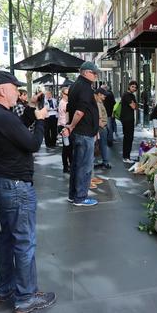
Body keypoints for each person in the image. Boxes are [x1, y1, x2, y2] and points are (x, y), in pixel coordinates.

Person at [0, 70, 56, 313]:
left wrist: (30, 109)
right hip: (16, 186)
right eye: (15, 88)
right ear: (3, 90)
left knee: (8, 238)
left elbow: (17, 131)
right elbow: (32, 143)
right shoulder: (3, 117)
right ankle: (26, 296)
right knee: (24, 241)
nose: (18, 93)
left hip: (2, 182)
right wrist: (42, 120)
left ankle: (7, 289)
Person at [65, 61, 100, 207]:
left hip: (80, 132)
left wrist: (69, 126)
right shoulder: (85, 87)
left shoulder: (73, 86)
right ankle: (80, 197)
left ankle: (73, 195)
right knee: (84, 166)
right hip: (84, 132)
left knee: (76, 165)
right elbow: (80, 111)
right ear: (85, 72)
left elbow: (69, 108)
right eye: (94, 73)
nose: (96, 76)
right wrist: (71, 126)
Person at [120, 80, 138, 163]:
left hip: (129, 119)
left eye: (135, 87)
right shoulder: (127, 95)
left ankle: (127, 157)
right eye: (132, 86)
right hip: (127, 120)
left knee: (129, 138)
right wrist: (134, 104)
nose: (134, 88)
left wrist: (134, 104)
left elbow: (135, 106)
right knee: (128, 138)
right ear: (129, 86)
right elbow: (134, 106)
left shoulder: (130, 95)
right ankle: (126, 157)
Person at [94, 87, 111, 170]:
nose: (105, 96)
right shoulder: (97, 103)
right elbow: (99, 118)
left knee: (101, 144)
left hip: (101, 127)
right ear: (99, 94)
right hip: (101, 127)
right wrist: (103, 126)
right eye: (104, 95)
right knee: (103, 145)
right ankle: (105, 162)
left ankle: (104, 161)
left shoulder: (99, 102)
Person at [57, 87, 72, 173]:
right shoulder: (63, 103)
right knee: (66, 147)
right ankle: (66, 166)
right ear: (63, 94)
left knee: (68, 147)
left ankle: (68, 165)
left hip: (65, 126)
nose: (68, 96)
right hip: (63, 126)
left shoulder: (66, 102)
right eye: (67, 94)